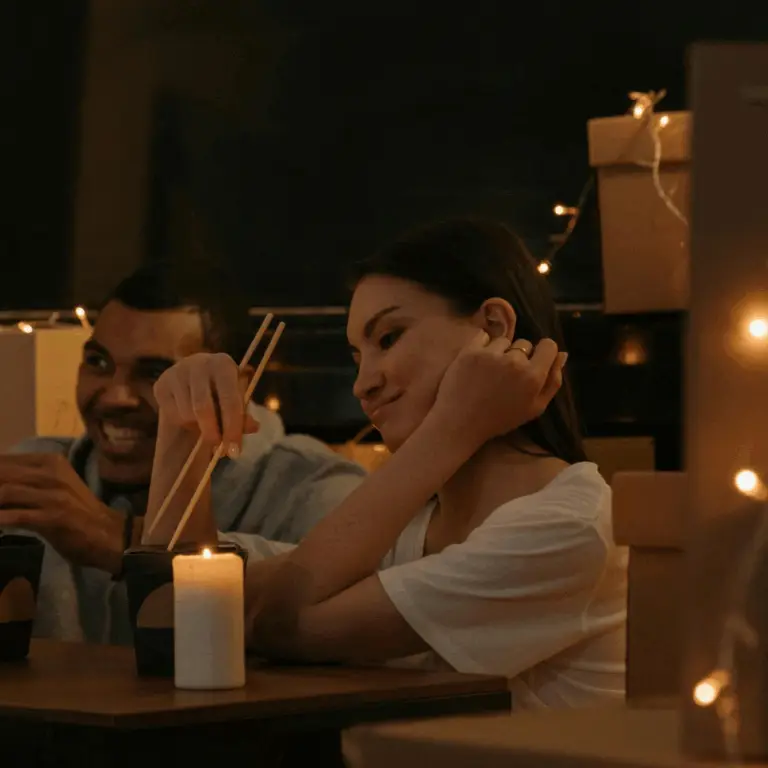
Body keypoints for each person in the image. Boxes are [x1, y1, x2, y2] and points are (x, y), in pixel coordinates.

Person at [149, 218, 628, 708]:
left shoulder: (567, 526)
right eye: (357, 358)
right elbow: (176, 609)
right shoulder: (413, 526)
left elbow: (277, 621)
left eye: (388, 338)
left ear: (493, 328)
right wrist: (182, 429)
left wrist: (452, 429)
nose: (363, 385)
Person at [0, 259, 366, 643]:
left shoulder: (315, 489)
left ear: (237, 388)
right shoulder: (36, 475)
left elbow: (362, 617)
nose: (115, 397)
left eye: (156, 373)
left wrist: (126, 541)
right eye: (98, 362)